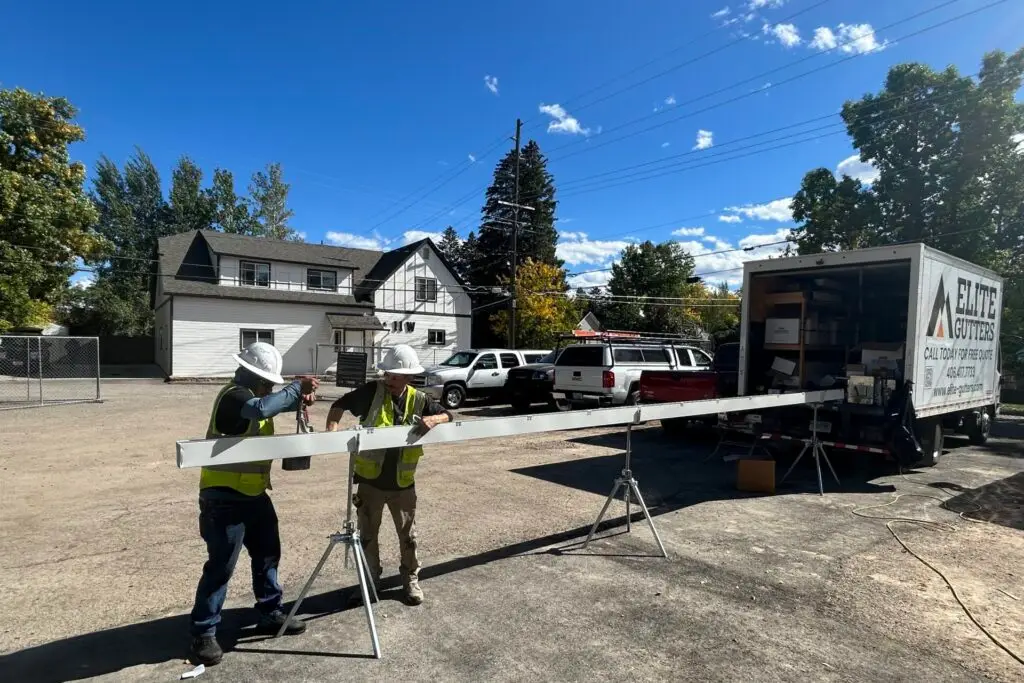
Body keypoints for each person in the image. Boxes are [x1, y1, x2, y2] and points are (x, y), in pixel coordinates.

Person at [188, 342, 319, 667]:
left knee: (268, 554)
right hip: (224, 499)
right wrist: (294, 388)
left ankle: (270, 611)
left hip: (254, 495)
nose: (270, 388)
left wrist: (297, 400)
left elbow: (268, 405)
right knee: (221, 567)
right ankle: (204, 632)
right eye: (267, 383)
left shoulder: (252, 397)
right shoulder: (234, 396)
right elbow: (260, 409)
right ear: (251, 377)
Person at [325, 344, 451, 605]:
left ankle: (411, 581)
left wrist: (434, 420)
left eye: (395, 376)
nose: (389, 380)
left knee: (408, 536)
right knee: (368, 535)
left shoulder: (419, 398)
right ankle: (371, 582)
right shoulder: (373, 392)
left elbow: (448, 414)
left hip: (403, 485)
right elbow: (339, 405)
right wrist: (331, 432)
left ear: (408, 377)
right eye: (387, 375)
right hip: (371, 483)